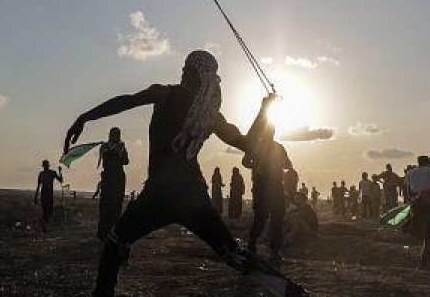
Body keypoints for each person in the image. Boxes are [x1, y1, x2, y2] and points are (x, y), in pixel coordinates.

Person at [63, 50, 280, 297]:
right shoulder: (211, 116)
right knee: (233, 254)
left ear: (195, 74)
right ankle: (288, 290)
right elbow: (248, 143)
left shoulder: (166, 94)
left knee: (114, 244)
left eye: (187, 68)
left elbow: (127, 101)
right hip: (194, 196)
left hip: (159, 194)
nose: (183, 71)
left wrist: (85, 117)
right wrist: (265, 110)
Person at [245, 119, 292, 262]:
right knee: (263, 218)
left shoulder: (275, 147)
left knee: (276, 219)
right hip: (263, 187)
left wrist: (276, 164)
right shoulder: (257, 146)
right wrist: (257, 166)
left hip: (273, 187)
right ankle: (254, 246)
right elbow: (246, 162)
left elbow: (287, 164)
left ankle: (272, 250)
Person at [96, 127, 130, 240]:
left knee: (115, 205)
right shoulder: (107, 146)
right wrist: (116, 150)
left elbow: (126, 161)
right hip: (110, 178)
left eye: (117, 134)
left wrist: (119, 150)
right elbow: (106, 158)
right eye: (114, 134)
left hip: (117, 178)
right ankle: (104, 233)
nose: (116, 136)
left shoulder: (120, 147)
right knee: (106, 205)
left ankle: (110, 232)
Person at [34, 159, 63, 232]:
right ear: (47, 166)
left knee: (47, 211)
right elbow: (61, 180)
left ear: (44, 166)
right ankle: (44, 225)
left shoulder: (44, 173)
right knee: (47, 211)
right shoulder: (50, 173)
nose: (45, 167)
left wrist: (36, 197)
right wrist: (60, 172)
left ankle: (44, 224)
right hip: (47, 194)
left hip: (45, 194)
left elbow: (38, 187)